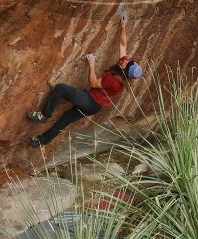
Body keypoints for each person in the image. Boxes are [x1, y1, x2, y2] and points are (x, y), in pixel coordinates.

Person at [26, 15, 143, 148]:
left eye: (127, 63)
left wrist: (91, 65)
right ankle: (41, 141)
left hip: (90, 101)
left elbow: (93, 83)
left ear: (124, 70)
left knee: (60, 89)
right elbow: (123, 44)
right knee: (65, 119)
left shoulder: (114, 80)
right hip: (94, 106)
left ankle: (44, 115)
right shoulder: (123, 67)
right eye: (128, 61)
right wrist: (123, 26)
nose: (126, 60)